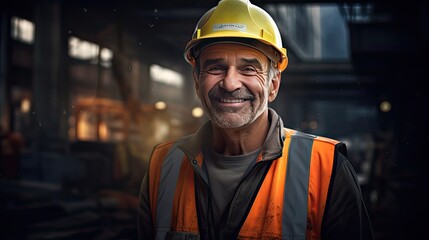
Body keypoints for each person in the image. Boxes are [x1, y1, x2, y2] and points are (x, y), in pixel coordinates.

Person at [138, 0, 374, 239]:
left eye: (249, 69)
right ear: (198, 82)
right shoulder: (162, 164)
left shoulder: (326, 168)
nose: (230, 83)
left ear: (273, 85)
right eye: (216, 68)